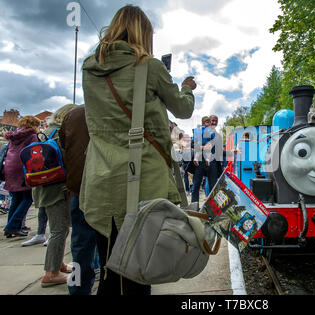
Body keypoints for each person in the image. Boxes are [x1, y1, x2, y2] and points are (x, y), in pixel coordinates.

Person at [80, 5, 196, 295]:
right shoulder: (149, 66)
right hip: (141, 181)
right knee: (139, 272)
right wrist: (187, 87)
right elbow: (183, 109)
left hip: (100, 181)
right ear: (144, 33)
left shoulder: (89, 69)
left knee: (109, 270)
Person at [33, 104, 77, 287]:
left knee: (58, 228)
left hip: (43, 186)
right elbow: (69, 159)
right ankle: (51, 273)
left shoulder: (47, 132)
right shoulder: (62, 133)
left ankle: (57, 264)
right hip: (57, 188)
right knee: (60, 229)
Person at [59, 105, 100, 295]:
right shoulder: (116, 108)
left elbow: (63, 145)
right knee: (112, 246)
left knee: (79, 247)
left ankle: (76, 290)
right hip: (104, 189)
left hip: (79, 189)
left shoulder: (72, 115)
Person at [3, 116, 40, 238]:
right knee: (27, 198)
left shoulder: (14, 135)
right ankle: (12, 226)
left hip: (9, 167)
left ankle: (12, 226)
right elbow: (34, 153)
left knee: (16, 198)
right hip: (22, 169)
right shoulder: (31, 136)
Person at [191, 116, 218, 203]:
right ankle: (194, 206)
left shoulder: (215, 134)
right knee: (196, 185)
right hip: (199, 162)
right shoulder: (199, 131)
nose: (213, 123)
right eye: (211, 121)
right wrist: (202, 147)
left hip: (212, 162)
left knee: (213, 186)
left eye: (215, 121)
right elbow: (192, 144)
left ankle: (212, 208)